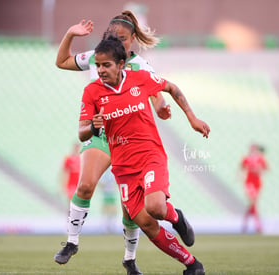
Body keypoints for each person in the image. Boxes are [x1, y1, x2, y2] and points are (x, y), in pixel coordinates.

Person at [54, 10, 176, 275]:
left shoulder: (141, 66)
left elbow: (156, 92)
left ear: (133, 39)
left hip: (129, 141)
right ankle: (71, 242)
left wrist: (161, 106)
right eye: (113, 37)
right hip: (101, 135)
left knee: (130, 209)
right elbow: (61, 61)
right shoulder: (97, 57)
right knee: (85, 185)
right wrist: (70, 34)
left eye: (122, 38)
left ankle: (129, 260)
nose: (118, 42)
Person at [79, 35, 210, 275]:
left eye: (106, 65)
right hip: (123, 169)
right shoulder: (92, 92)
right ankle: (192, 264)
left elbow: (171, 87)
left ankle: (175, 217)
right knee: (148, 225)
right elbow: (82, 132)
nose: (100, 70)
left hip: (150, 156)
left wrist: (192, 118)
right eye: (97, 65)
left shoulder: (140, 78)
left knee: (156, 208)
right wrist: (94, 127)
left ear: (120, 64)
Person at [240, 144, 268, 234]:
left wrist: (258, 169)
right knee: (254, 203)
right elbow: (242, 169)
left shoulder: (260, 159)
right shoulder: (246, 159)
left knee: (252, 205)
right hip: (249, 183)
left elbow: (265, 169)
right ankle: (258, 226)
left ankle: (245, 224)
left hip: (257, 183)